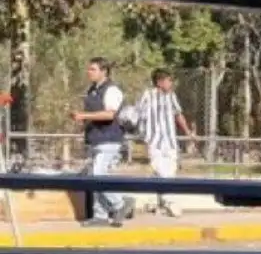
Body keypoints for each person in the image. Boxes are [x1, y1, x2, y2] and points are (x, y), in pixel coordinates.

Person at [71, 57, 133, 227]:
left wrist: (84, 116)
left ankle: (120, 203)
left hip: (109, 139)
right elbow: (94, 114)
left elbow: (109, 114)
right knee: (95, 176)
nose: (89, 72)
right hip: (95, 139)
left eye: (93, 69)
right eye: (89, 69)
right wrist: (82, 123)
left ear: (104, 71)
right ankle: (100, 215)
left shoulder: (112, 90)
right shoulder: (92, 90)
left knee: (98, 175)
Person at [137, 68, 195, 217]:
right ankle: (170, 202)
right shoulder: (148, 95)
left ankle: (157, 201)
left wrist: (188, 132)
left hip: (169, 139)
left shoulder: (171, 96)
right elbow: (139, 114)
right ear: (159, 82)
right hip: (154, 139)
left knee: (170, 168)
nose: (171, 83)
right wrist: (143, 134)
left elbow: (178, 114)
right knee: (160, 168)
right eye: (168, 80)